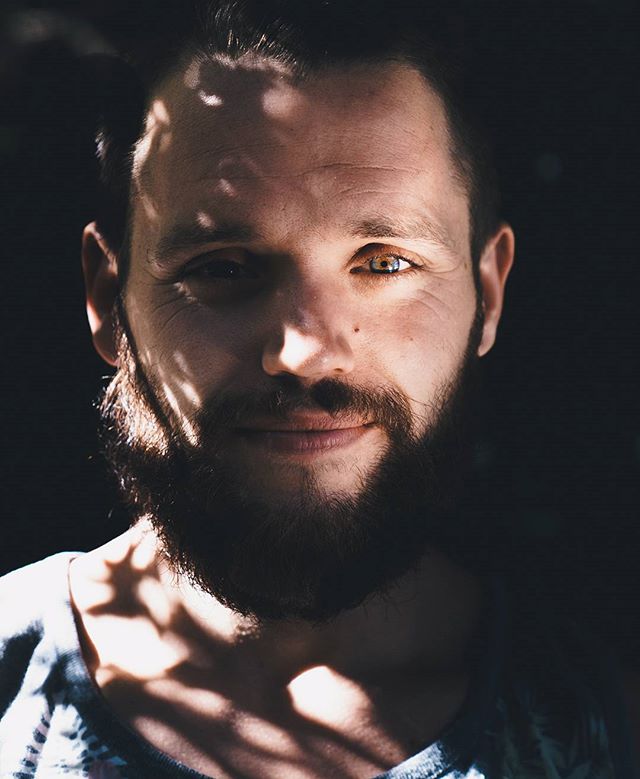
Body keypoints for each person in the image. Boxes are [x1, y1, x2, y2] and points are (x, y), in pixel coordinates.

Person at [0, 1, 637, 777]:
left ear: (489, 295)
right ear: (108, 299)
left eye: (385, 261)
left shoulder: (606, 714)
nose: (302, 353)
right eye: (222, 267)